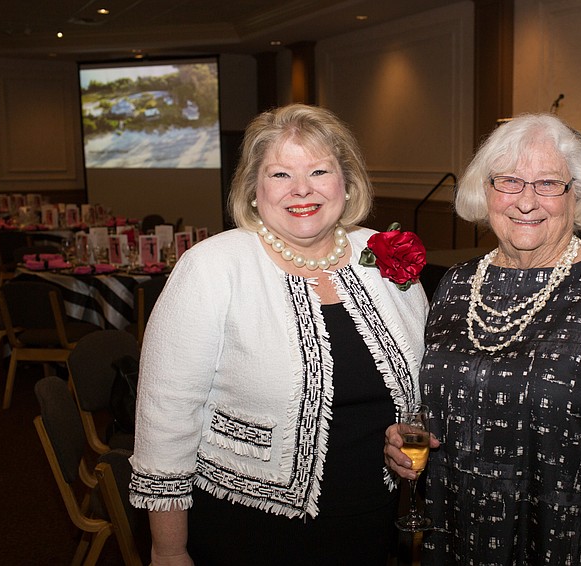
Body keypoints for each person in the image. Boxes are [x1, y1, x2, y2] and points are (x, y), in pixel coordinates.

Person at [384, 113, 581, 565]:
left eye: (548, 183)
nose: (526, 201)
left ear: (575, 196)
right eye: (508, 181)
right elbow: (440, 404)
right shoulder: (454, 284)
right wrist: (404, 439)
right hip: (454, 534)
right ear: (484, 191)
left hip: (570, 540)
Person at [130, 104, 429, 565]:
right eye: (280, 175)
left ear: (346, 183)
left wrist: (413, 434)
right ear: (253, 190)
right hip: (248, 529)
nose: (302, 189)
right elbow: (165, 417)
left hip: (368, 523)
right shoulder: (212, 266)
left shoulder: (385, 257)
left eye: (318, 171)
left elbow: (421, 378)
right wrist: (168, 549)